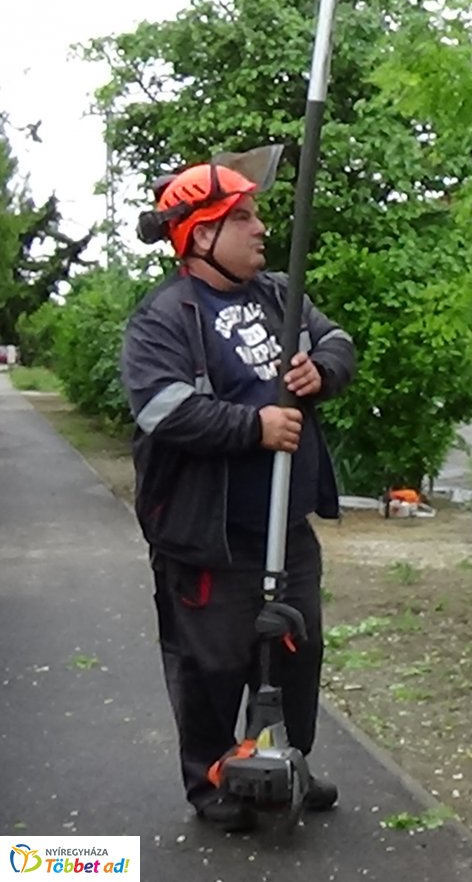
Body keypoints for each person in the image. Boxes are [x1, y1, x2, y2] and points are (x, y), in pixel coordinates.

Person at [119, 162, 356, 831]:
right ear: (199, 236)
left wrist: (322, 371)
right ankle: (212, 781)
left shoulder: (279, 296)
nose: (262, 228)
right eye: (244, 217)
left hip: (287, 528)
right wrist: (254, 427)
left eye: (257, 214)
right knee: (211, 662)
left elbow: (337, 339)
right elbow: (164, 410)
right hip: (206, 536)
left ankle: (285, 764)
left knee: (296, 652)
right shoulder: (164, 318)